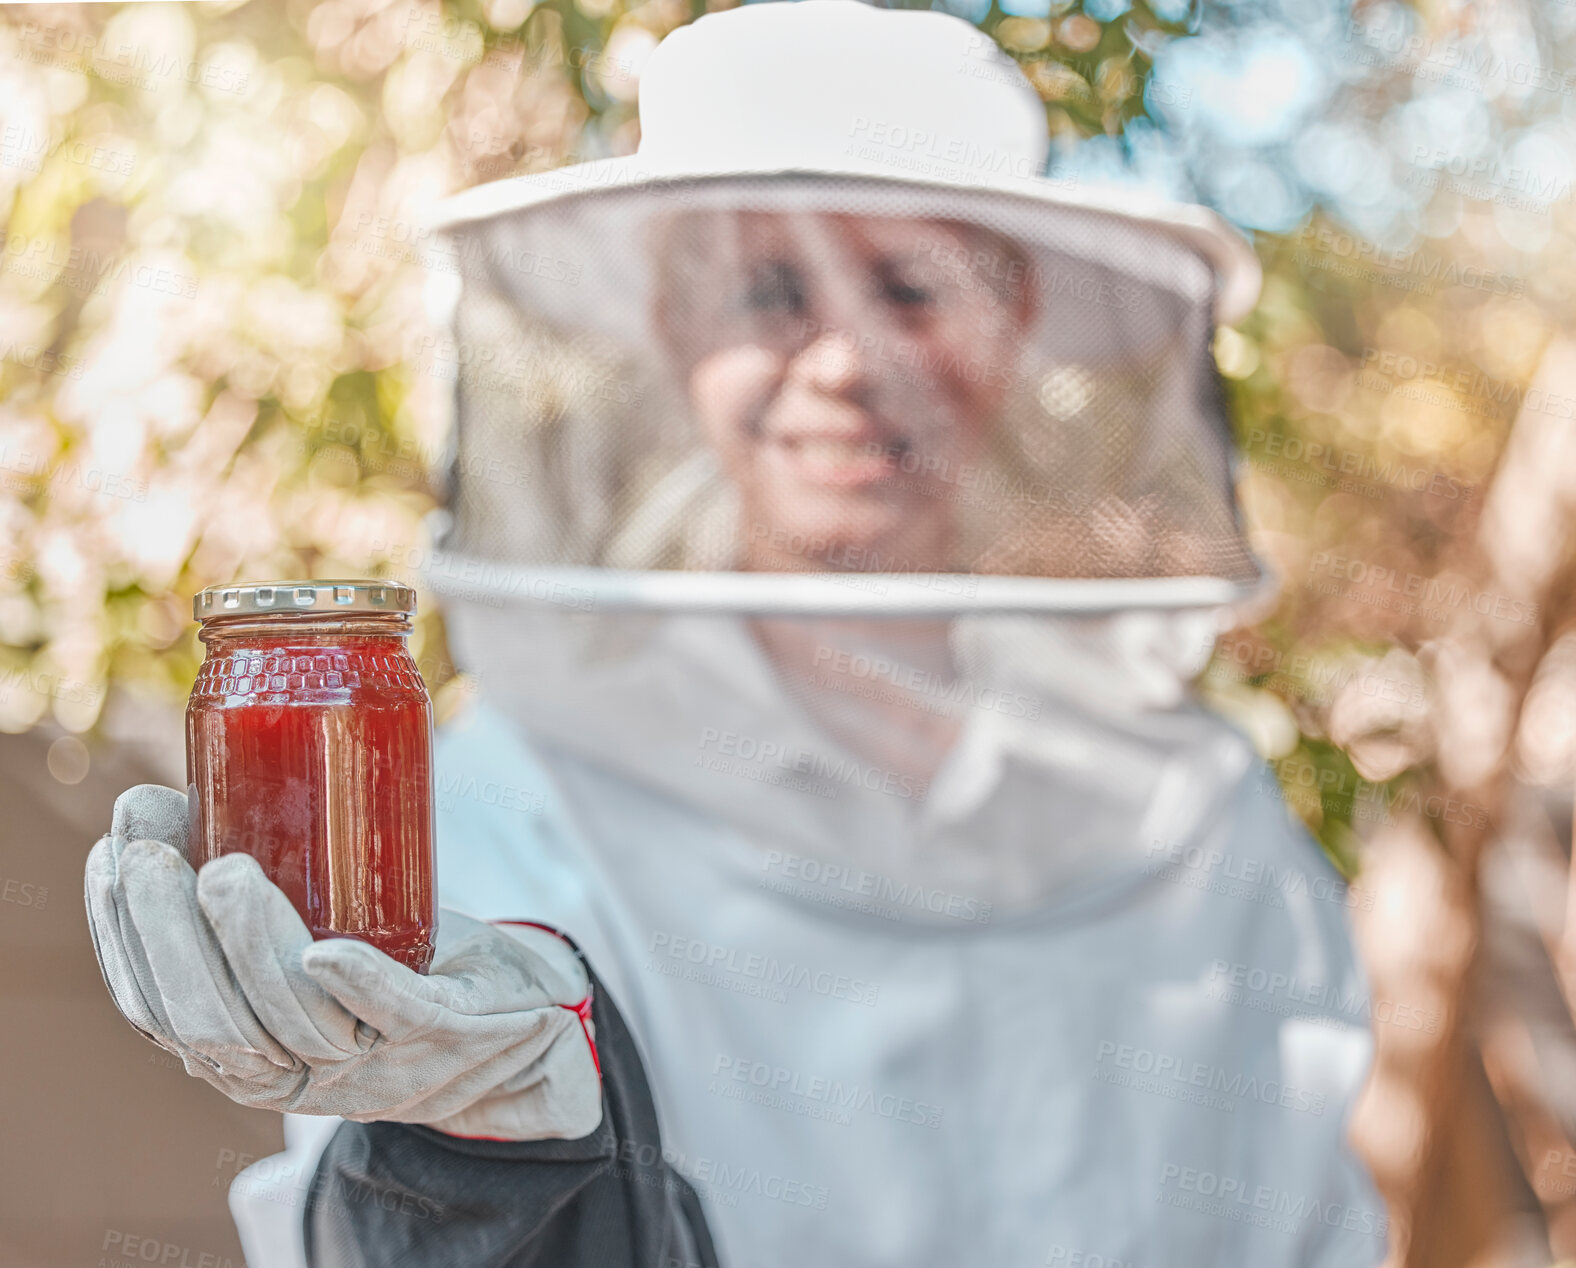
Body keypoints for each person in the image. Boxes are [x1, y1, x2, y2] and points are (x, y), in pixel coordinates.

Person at [84, 4, 1388, 1266]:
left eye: (912, 288)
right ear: (674, 327)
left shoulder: (1203, 820)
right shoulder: (512, 803)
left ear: (1014, 322)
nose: (844, 359)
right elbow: (367, 1222)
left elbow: (1313, 1225)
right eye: (772, 290)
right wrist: (465, 1161)